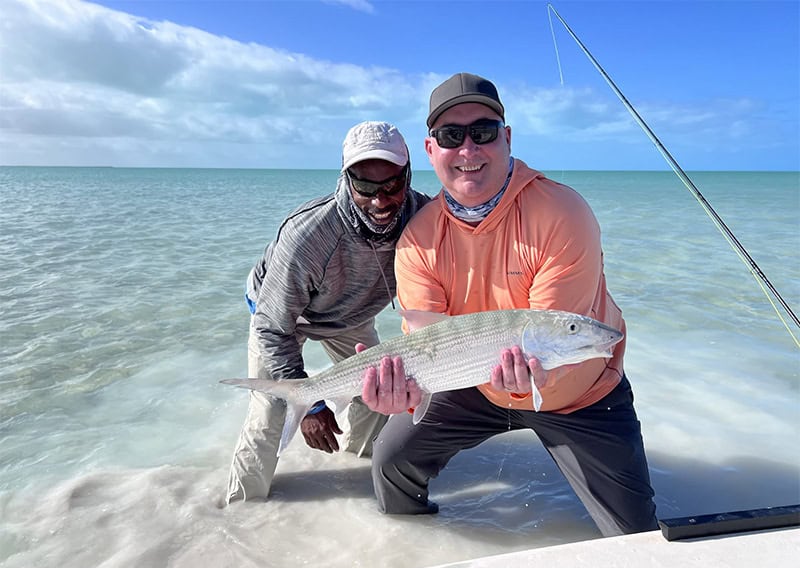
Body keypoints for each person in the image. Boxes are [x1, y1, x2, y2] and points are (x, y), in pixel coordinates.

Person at [367, 73, 658, 536]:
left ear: (506, 138)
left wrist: (532, 380)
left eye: (482, 132)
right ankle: (421, 554)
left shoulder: (561, 212)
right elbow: (426, 346)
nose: (468, 150)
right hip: (472, 380)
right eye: (450, 136)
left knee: (637, 540)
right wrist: (404, 393)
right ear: (430, 150)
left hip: (577, 394)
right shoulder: (417, 240)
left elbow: (559, 338)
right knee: (389, 462)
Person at [227, 121, 429, 503]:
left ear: (408, 175)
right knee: (272, 409)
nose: (380, 200)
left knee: (375, 393)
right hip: (284, 317)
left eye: (392, 185)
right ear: (346, 177)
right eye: (365, 186)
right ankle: (242, 507)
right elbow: (272, 327)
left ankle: (355, 474)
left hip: (349, 318)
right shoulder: (308, 235)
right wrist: (311, 404)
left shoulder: (424, 215)